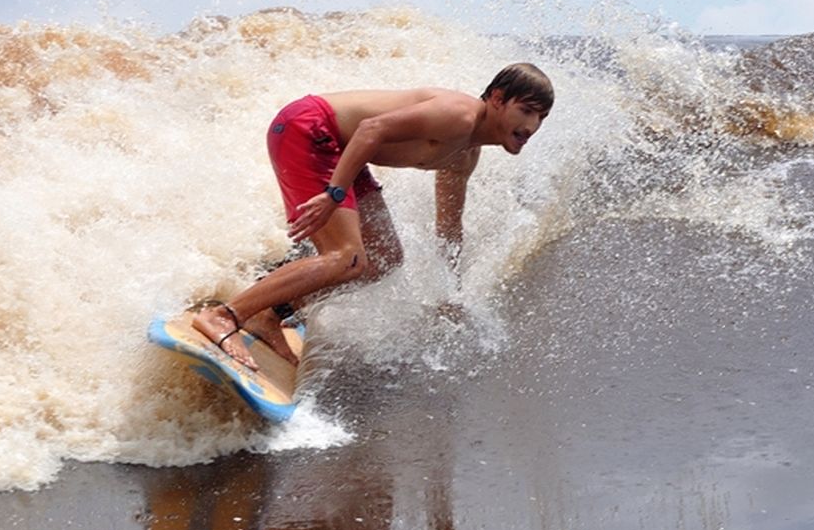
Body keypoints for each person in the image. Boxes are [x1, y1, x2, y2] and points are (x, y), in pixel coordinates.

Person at [192, 63, 553, 370]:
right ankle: (226, 315)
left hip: (342, 151)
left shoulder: (464, 154)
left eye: (541, 116)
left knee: (384, 257)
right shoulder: (458, 115)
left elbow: (448, 229)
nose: (532, 126)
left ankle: (269, 313)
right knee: (346, 258)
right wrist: (334, 194)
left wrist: (449, 292)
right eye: (526, 111)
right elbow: (371, 129)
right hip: (308, 129)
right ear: (498, 99)